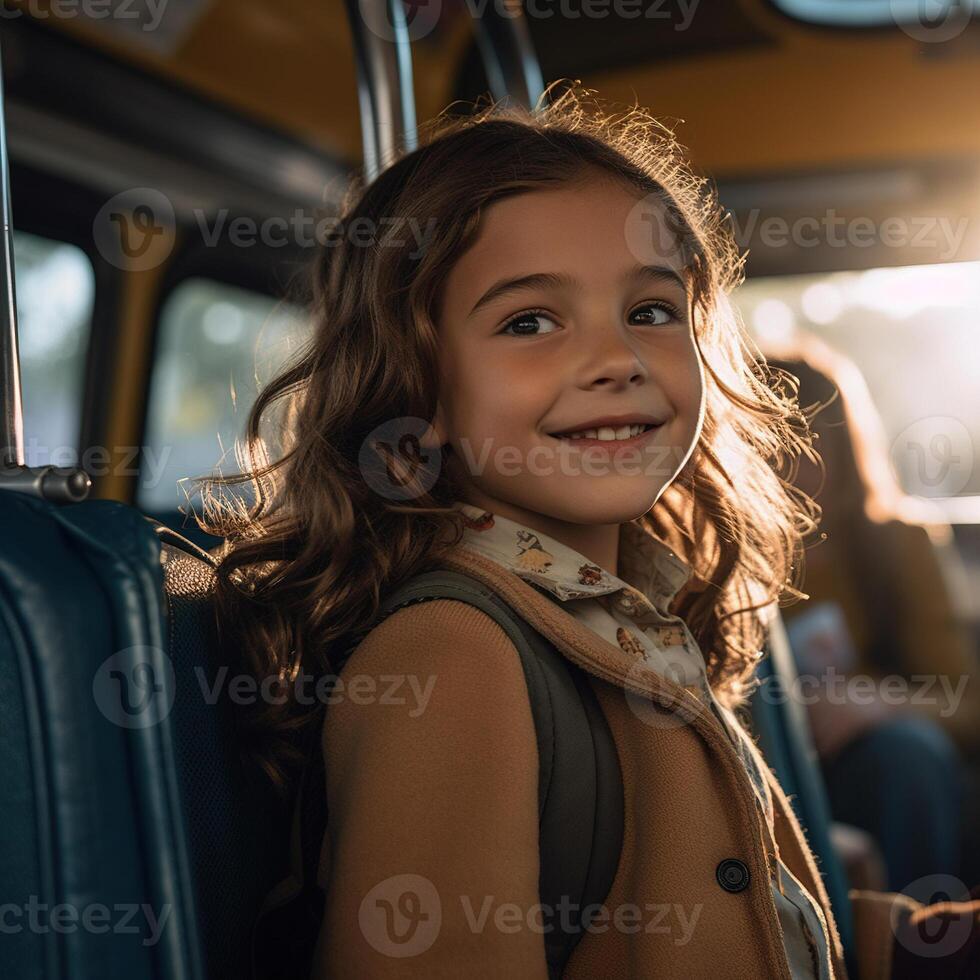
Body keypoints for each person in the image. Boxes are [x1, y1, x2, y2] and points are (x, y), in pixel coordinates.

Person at [198, 84, 980, 979]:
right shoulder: (453, 653)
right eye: (530, 322)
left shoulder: (633, 612)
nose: (616, 359)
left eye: (650, 311)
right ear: (416, 390)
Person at [764, 342, 980, 900]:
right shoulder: (711, 558)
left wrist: (873, 704)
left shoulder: (898, 543)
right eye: (770, 438)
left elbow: (966, 704)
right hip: (767, 767)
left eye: (809, 437)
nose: (792, 458)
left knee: (906, 753)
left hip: (873, 763)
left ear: (841, 441)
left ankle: (914, 946)